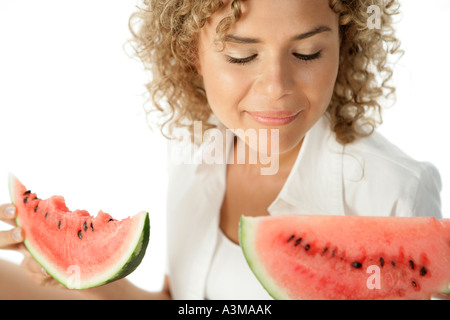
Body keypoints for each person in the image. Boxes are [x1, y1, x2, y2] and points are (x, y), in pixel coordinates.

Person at [0, 0, 443, 300]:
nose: (277, 87)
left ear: (343, 46)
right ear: (191, 53)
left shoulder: (395, 193)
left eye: (307, 53)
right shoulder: (193, 144)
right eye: (241, 56)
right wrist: (75, 273)